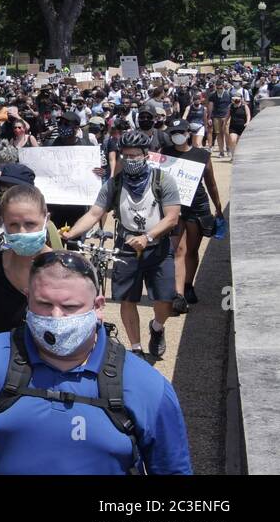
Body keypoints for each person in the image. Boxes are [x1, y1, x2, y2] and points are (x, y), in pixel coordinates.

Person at [0, 251, 192, 474]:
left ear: (98, 307)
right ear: (27, 300)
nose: (56, 317)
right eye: (44, 304)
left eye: (70, 307)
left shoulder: (147, 386)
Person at [63, 131, 181, 359]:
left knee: (165, 300)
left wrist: (148, 237)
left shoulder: (163, 180)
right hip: (126, 247)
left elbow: (172, 217)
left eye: (135, 156)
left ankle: (157, 327)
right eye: (126, 156)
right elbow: (95, 212)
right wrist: (71, 234)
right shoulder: (114, 184)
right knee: (127, 298)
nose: (130, 160)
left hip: (158, 247)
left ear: (147, 155)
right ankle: (136, 348)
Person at [0, 184, 65, 342]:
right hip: (3, 364)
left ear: (46, 220)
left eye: (30, 224)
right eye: (13, 225)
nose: (22, 232)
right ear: (3, 223)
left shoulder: (69, 270)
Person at [160, 120, 221, 314]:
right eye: (173, 132)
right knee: (177, 249)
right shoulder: (165, 153)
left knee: (192, 250)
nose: (177, 135)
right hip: (173, 207)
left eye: (180, 131)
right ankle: (177, 294)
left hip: (196, 205)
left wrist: (218, 207)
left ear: (188, 133)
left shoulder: (202, 155)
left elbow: (211, 183)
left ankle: (188, 285)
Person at [226, 89, 250, 161]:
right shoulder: (231, 107)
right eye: (235, 99)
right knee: (232, 140)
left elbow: (248, 115)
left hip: (242, 126)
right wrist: (225, 123)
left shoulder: (244, 106)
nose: (236, 101)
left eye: (238, 99)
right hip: (233, 126)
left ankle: (239, 156)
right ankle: (233, 156)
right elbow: (227, 116)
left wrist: (248, 122)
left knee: (240, 143)